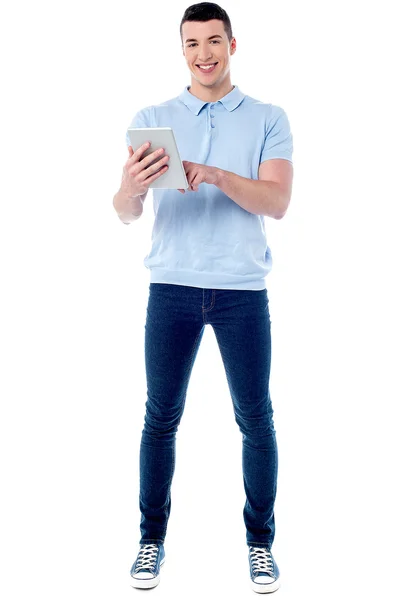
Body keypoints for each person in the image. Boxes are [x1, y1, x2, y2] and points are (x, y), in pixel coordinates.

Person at [113, 2, 293, 594]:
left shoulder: (268, 117)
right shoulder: (152, 117)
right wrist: (130, 190)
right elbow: (124, 213)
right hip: (171, 288)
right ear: (182, 51)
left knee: (256, 419)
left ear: (233, 45)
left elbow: (276, 202)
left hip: (242, 291)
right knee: (159, 419)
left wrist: (214, 173)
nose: (204, 54)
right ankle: (150, 540)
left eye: (214, 41)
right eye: (193, 44)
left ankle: (260, 544)